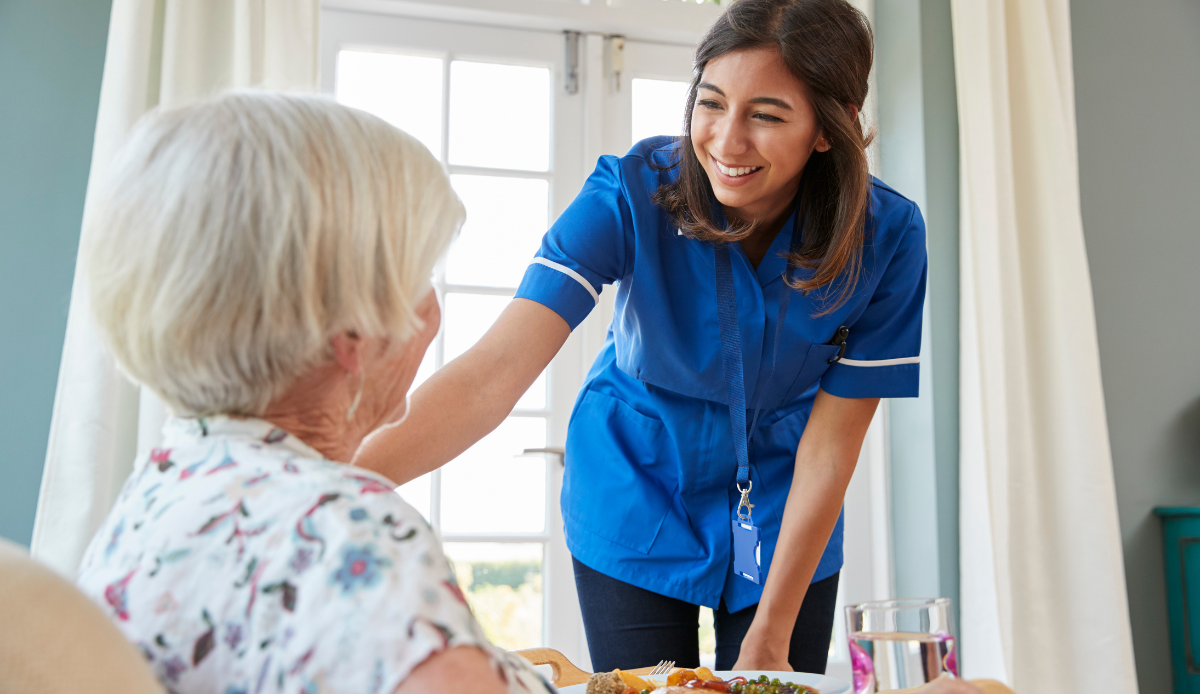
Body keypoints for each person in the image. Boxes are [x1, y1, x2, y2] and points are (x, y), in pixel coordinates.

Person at [355, 0, 927, 676]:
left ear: (828, 130)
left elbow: (831, 447)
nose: (726, 141)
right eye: (710, 103)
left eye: (767, 115)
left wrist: (772, 634)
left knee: (769, 681)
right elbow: (492, 375)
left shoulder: (886, 236)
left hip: (785, 504)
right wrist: (332, 483)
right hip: (634, 488)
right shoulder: (630, 193)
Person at [74, 92, 553, 694]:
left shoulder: (155, 495)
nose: (431, 310)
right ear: (354, 331)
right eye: (419, 277)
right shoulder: (346, 536)